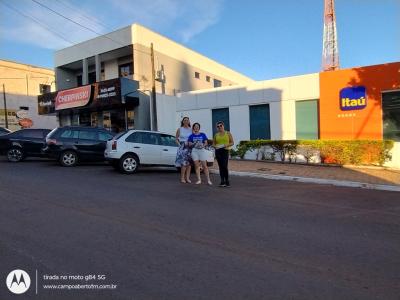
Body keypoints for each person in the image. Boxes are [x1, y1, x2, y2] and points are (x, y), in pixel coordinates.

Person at [213, 121, 234, 187]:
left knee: (224, 166)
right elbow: (213, 144)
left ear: (223, 126)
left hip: (225, 150)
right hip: (218, 151)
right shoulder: (216, 135)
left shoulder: (228, 133)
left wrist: (226, 145)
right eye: (218, 126)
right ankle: (222, 181)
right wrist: (215, 146)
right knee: (220, 166)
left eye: (220, 126)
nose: (219, 127)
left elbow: (232, 142)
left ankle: (227, 181)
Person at [175, 117, 193, 183]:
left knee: (189, 164)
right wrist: (179, 145)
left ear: (189, 122)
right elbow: (176, 139)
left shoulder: (191, 129)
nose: (186, 121)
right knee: (184, 164)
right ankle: (182, 178)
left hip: (190, 147)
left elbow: (193, 137)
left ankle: (187, 178)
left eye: (187, 120)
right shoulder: (180, 129)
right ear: (182, 121)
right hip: (182, 147)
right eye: (184, 120)